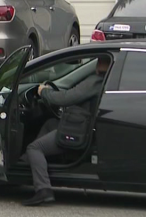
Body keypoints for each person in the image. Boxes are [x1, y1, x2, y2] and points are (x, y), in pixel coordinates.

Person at [22, 56, 111, 207]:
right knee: (50, 123)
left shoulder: (96, 82)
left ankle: (43, 189)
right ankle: (30, 163)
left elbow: (66, 98)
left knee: (34, 148)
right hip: (82, 127)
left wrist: (44, 92)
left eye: (100, 60)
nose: (97, 63)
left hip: (79, 131)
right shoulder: (107, 80)